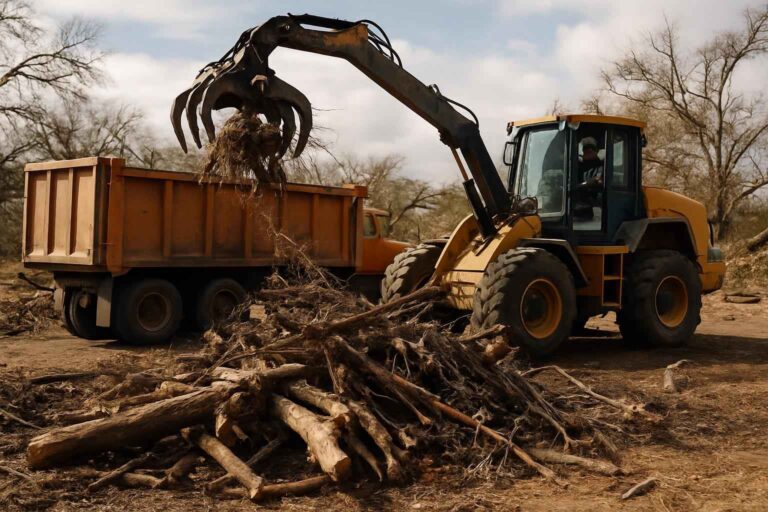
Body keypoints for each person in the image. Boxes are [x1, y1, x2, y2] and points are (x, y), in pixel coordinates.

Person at [574, 136, 604, 220]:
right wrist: (585, 184)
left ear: (596, 150)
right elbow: (574, 185)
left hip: (600, 204)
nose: (589, 150)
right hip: (582, 204)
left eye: (591, 148)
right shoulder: (576, 166)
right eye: (586, 148)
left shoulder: (604, 163)